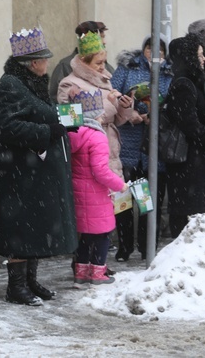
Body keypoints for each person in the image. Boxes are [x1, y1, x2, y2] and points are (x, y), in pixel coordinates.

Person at [0, 27, 76, 307]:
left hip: (32, 172)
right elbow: (8, 127)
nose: (47, 63)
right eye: (44, 59)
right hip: (18, 172)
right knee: (21, 230)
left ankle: (29, 281)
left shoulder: (29, 83)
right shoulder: (10, 85)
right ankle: (16, 287)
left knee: (34, 227)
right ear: (33, 63)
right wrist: (48, 131)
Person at [57, 32, 135, 263]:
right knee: (88, 215)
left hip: (110, 149)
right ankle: (83, 262)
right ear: (84, 62)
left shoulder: (105, 81)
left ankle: (98, 263)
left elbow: (117, 120)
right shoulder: (69, 83)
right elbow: (67, 123)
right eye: (98, 63)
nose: (103, 67)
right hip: (87, 154)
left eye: (103, 62)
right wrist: (93, 119)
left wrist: (124, 107)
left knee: (106, 213)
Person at [110, 35, 172, 261]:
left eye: (160, 51)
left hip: (152, 152)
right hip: (126, 147)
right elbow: (111, 95)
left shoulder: (169, 73)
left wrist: (154, 116)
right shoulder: (127, 67)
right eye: (149, 48)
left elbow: (172, 105)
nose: (153, 54)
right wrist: (129, 113)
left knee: (147, 202)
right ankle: (124, 247)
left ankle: (148, 247)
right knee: (123, 200)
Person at [66, 89, 127, 287]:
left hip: (78, 192)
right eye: (101, 113)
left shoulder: (72, 135)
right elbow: (100, 171)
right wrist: (120, 185)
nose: (103, 116)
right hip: (95, 194)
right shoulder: (97, 137)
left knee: (85, 235)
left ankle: (81, 272)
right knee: (102, 234)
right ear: (95, 115)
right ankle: (98, 272)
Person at [165, 34, 205, 237]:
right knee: (189, 216)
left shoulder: (196, 82)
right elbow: (191, 125)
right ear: (188, 57)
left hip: (196, 158)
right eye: (199, 55)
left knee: (200, 212)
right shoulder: (184, 84)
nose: (204, 59)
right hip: (186, 161)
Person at [49, 21, 114, 101]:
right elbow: (58, 101)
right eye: (100, 37)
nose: (104, 42)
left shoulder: (106, 67)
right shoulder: (64, 66)